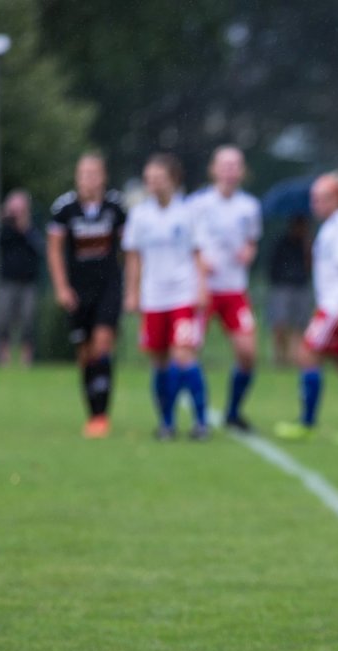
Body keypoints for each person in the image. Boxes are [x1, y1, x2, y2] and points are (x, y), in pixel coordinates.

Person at [274, 172, 338, 441]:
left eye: (323, 198)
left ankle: (307, 422)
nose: (317, 203)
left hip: (337, 305)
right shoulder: (334, 225)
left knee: (307, 355)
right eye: (314, 198)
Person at [122, 153, 210, 440]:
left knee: (184, 356)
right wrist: (132, 293)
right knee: (158, 361)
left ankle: (200, 421)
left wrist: (201, 288)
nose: (153, 184)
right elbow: (134, 257)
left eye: (158, 178)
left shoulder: (188, 212)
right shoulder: (139, 215)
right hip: (153, 297)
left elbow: (199, 254)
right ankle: (167, 423)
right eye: (149, 179)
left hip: (182, 294)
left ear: (173, 179)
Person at [47, 153, 127, 438]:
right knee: (85, 354)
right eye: (84, 173)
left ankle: (102, 415)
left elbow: (127, 247)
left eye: (94, 173)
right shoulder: (64, 208)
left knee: (102, 344)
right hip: (79, 290)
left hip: (109, 286)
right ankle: (92, 412)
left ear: (103, 176)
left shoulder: (116, 206)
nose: (89, 179)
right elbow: (55, 249)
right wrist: (61, 287)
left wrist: (131, 286)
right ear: (77, 177)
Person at [190, 146, 262, 430]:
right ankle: (199, 415)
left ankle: (232, 412)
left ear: (242, 171)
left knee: (247, 353)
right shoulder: (198, 204)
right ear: (213, 169)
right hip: (204, 289)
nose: (230, 171)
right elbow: (189, 245)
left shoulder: (250, 207)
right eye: (225, 165)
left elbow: (252, 241)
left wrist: (249, 251)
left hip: (234, 290)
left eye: (235, 165)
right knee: (188, 351)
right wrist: (200, 265)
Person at [0, 190, 44, 367]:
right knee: (3, 319)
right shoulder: (5, 228)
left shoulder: (31, 229)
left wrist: (25, 228)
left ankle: (26, 358)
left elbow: (39, 248)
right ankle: (4, 356)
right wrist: (5, 218)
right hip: (7, 281)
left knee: (28, 320)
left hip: (28, 282)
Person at [267, 215, 312, 367]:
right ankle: (280, 356)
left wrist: (307, 249)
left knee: (300, 324)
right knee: (280, 323)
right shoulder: (282, 243)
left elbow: (309, 267)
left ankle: (295, 356)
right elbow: (273, 266)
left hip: (300, 286)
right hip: (282, 286)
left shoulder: (306, 245)